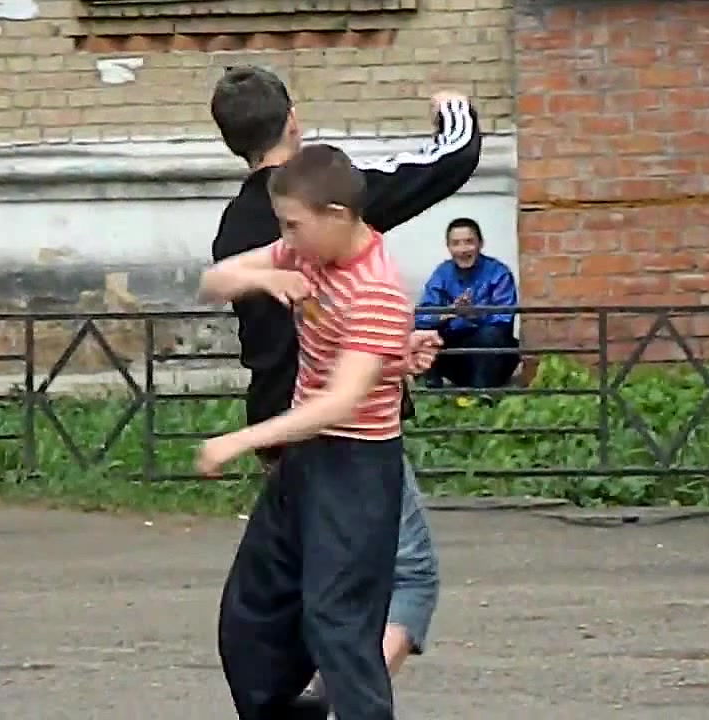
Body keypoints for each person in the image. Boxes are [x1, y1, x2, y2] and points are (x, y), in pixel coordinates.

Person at [207, 65, 482, 717]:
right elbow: (450, 160)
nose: (289, 242)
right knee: (392, 583)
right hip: (332, 441)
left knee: (314, 596)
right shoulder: (325, 219)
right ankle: (334, 701)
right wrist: (455, 107)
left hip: (299, 432)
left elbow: (341, 344)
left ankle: (326, 695)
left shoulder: (241, 221)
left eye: (292, 228)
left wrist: (385, 353)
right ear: (292, 121)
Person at [197, 144, 416, 720]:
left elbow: (340, 402)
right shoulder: (302, 255)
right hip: (305, 465)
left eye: (294, 225)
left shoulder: (376, 289)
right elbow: (212, 281)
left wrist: (240, 440)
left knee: (337, 623)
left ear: (337, 215)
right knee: (252, 613)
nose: (286, 238)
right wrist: (266, 275)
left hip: (357, 468)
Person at [415, 217, 520, 389]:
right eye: (456, 243)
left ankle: (481, 394)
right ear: (448, 247)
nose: (463, 249)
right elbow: (421, 316)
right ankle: (431, 393)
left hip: (491, 353)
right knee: (421, 336)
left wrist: (474, 315)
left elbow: (503, 320)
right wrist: (448, 313)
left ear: (480, 244)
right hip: (455, 348)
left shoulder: (498, 272)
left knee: (490, 336)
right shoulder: (442, 273)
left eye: (469, 242)